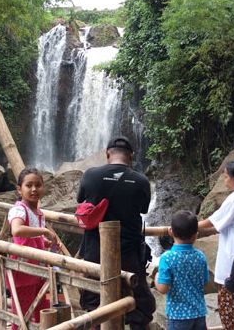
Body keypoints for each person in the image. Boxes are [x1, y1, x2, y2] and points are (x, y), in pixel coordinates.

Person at [77, 136, 155, 330]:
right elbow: (144, 209)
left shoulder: (90, 175)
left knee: (93, 304)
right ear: (131, 156)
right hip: (129, 255)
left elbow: (81, 201)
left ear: (107, 154)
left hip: (95, 253)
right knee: (141, 307)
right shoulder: (141, 180)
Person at [197, 161, 234, 329]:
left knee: (229, 313)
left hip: (232, 261)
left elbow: (214, 220)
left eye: (225, 176)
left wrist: (190, 225)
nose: (224, 180)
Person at [7, 168, 54, 329]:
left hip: (38, 270)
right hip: (23, 270)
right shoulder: (19, 209)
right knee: (21, 314)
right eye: (29, 185)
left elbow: (30, 236)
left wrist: (44, 241)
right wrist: (44, 231)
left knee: (41, 309)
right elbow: (17, 230)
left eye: (38, 185)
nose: (34, 189)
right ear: (19, 189)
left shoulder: (38, 212)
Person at [156, 210, 209, 330]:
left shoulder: (167, 258)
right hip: (199, 313)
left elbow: (163, 288)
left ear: (171, 231)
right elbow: (205, 284)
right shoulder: (201, 256)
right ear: (196, 234)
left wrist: (156, 277)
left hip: (178, 316)